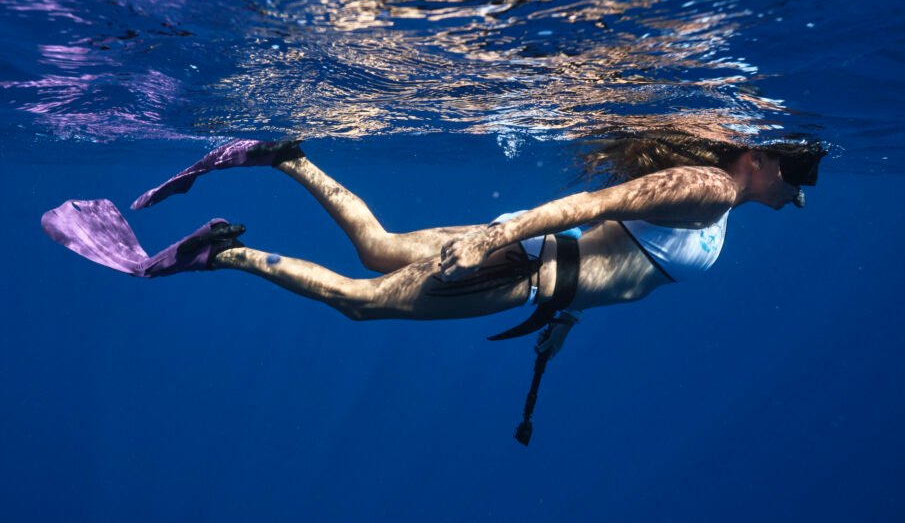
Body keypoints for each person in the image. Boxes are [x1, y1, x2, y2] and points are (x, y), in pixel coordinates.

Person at [42, 132, 825, 442]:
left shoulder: (715, 204)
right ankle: (222, 254)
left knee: (375, 244)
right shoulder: (714, 191)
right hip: (520, 268)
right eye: (800, 172)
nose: (804, 191)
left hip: (542, 270)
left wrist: (569, 318)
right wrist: (496, 239)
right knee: (357, 300)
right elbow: (594, 207)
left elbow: (619, 251)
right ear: (756, 159)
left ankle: (286, 157)